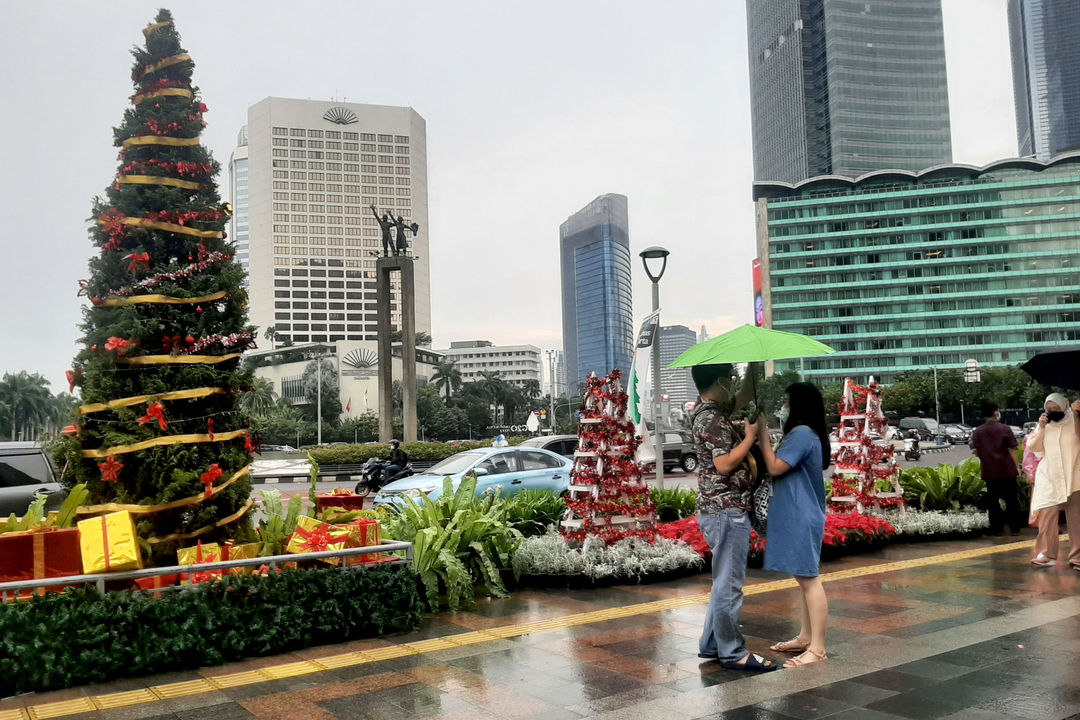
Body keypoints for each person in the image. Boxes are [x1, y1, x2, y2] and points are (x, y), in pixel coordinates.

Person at [689, 363, 776, 672]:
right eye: (732, 380)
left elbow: (744, 395)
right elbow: (724, 464)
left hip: (720, 508)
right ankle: (732, 652)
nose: (734, 386)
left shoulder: (710, 409)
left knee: (722, 581)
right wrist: (750, 436)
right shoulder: (711, 418)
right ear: (722, 381)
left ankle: (711, 646)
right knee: (730, 584)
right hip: (725, 509)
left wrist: (753, 365)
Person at [756, 382, 830, 668]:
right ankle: (805, 637)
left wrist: (762, 433)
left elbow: (775, 467)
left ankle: (818, 648)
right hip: (802, 512)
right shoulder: (810, 434)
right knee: (804, 579)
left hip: (801, 514)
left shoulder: (801, 434)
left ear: (798, 406)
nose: (785, 407)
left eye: (788, 402)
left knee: (809, 580)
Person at [1025, 393, 1080, 569]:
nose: (1052, 412)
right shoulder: (1045, 425)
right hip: (1050, 476)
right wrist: (1040, 427)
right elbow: (1034, 447)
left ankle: (1077, 556)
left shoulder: (1075, 420)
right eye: (1049, 409)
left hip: (1074, 474)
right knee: (1047, 515)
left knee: (1076, 517)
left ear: (1065, 407)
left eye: (1056, 409)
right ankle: (1047, 554)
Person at [970, 403, 1022, 536]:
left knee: (993, 502)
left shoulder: (978, 431)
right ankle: (1014, 528)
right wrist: (1017, 467)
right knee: (1011, 500)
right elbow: (1012, 449)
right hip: (1007, 470)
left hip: (989, 471)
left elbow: (975, 451)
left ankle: (997, 530)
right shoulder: (1005, 429)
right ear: (996, 413)